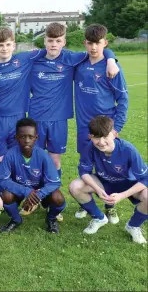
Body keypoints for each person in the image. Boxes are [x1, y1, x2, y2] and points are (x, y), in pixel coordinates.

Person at [28, 22, 119, 221]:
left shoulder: (71, 58)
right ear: (44, 41)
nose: (53, 44)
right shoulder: (33, 58)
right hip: (36, 119)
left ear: (64, 42)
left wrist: (112, 59)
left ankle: (54, 200)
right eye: (50, 40)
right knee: (35, 159)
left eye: (58, 41)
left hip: (59, 120)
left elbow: (98, 49)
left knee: (55, 160)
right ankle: (35, 197)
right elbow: (7, 58)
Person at [73, 24, 128, 220]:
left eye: (98, 43)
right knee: (85, 165)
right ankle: (85, 202)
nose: (94, 47)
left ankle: (109, 205)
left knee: (107, 168)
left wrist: (116, 128)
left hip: (105, 129)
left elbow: (123, 100)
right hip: (84, 127)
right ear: (85, 43)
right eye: (90, 43)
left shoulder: (111, 68)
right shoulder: (79, 63)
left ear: (105, 42)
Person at [0, 26, 46, 171]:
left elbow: (53, 49)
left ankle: (15, 188)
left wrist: (107, 55)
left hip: (18, 118)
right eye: (0, 45)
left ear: (14, 45)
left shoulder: (24, 59)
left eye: (8, 44)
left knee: (17, 155)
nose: (4, 48)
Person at [69, 116, 147, 244]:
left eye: (105, 137)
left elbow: (145, 179)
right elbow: (84, 172)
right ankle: (99, 218)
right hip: (104, 182)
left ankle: (133, 226)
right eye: (96, 137)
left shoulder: (128, 149)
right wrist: (98, 189)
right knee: (75, 186)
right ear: (90, 137)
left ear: (114, 134)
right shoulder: (89, 147)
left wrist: (122, 195)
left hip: (127, 185)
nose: (101, 142)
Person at [0, 118, 66, 234]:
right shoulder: (10, 155)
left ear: (36, 138)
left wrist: (38, 194)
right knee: (6, 195)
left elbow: (55, 182)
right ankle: (16, 219)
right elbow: (3, 180)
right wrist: (26, 192)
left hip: (40, 192)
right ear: (16, 138)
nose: (27, 140)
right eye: (23, 137)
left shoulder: (43, 155)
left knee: (58, 198)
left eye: (30, 137)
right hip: (19, 191)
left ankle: (51, 219)